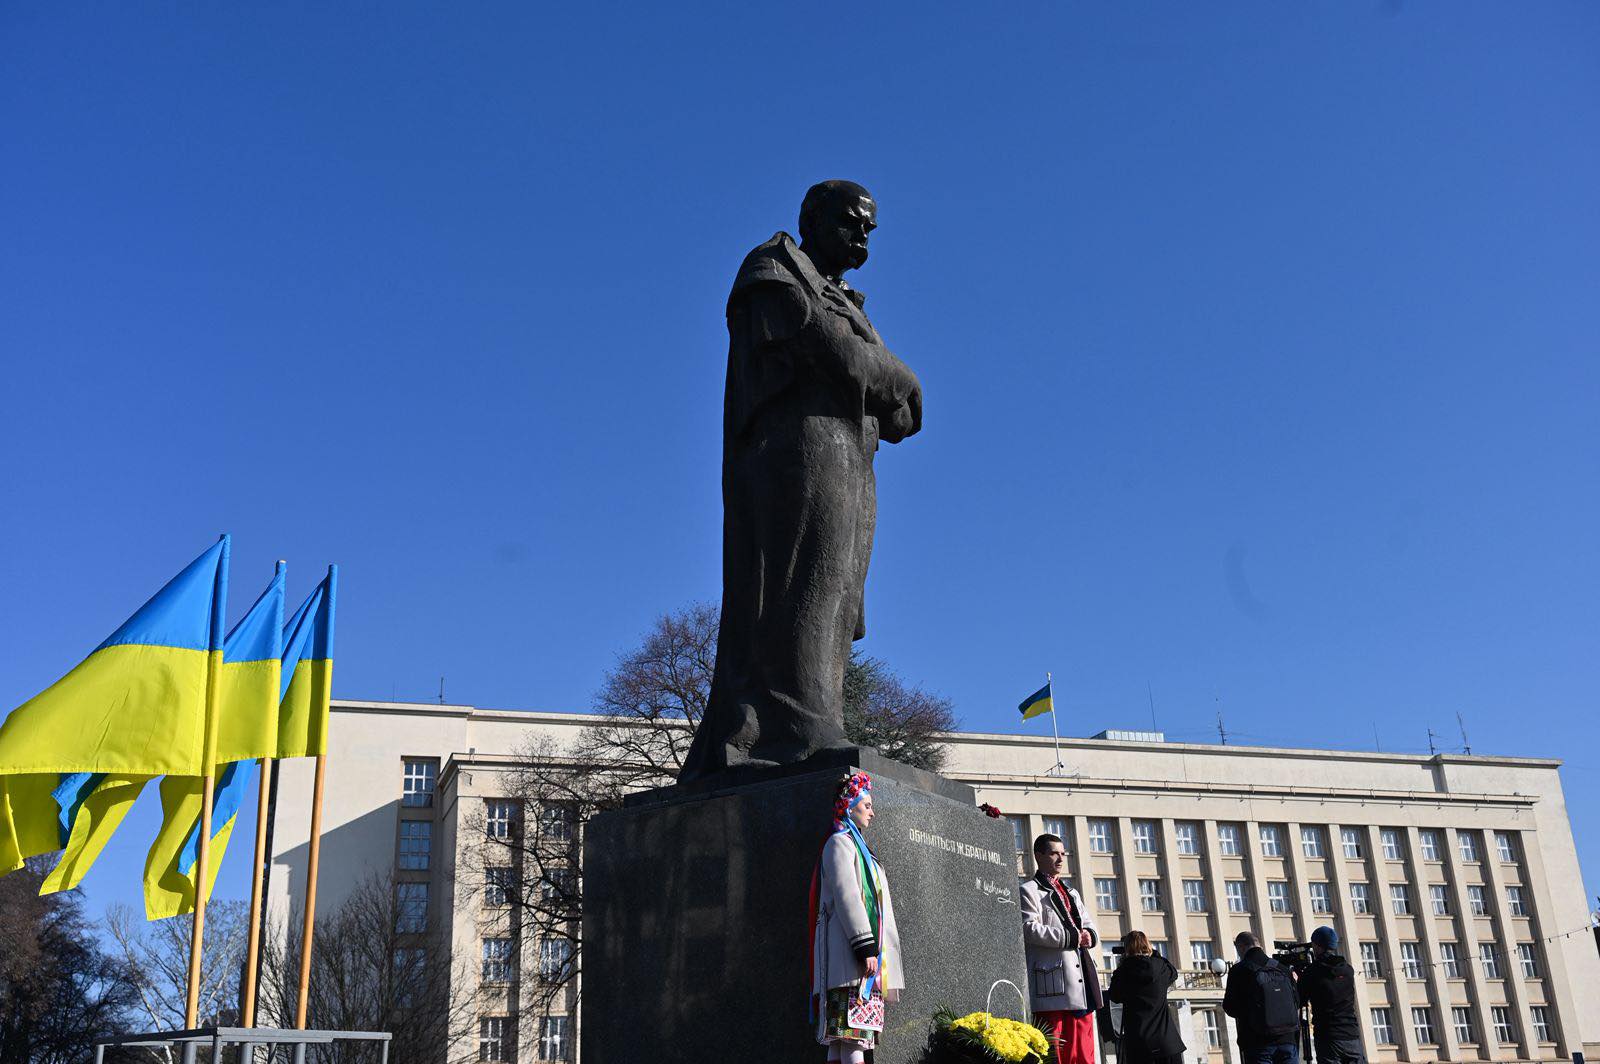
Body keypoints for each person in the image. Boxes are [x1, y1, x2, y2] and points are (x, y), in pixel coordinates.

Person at [681, 180, 923, 781]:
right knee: (802, 584)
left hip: (851, 461)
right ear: (812, 220)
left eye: (870, 227)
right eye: (851, 222)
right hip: (798, 453)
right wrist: (889, 375)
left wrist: (883, 378)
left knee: (840, 594)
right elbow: (842, 359)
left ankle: (816, 715)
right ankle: (795, 725)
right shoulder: (773, 271)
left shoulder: (844, 300)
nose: (862, 235)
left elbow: (905, 415)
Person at [809, 772, 904, 1064]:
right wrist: (865, 947)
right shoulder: (840, 844)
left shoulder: (860, 850)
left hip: (857, 959)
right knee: (852, 1041)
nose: (873, 812)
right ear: (850, 806)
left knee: (843, 1041)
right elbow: (847, 896)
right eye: (868, 805)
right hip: (849, 958)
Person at [1021, 833, 1102, 1064]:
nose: (1060, 859)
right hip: (1052, 983)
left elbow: (1088, 924)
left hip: (1080, 979)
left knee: (1083, 1050)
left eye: (1063, 854)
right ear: (1039, 855)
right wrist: (1071, 937)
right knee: (1055, 1049)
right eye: (1054, 853)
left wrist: (1089, 936)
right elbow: (1029, 928)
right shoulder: (1029, 890)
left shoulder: (1072, 892)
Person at [1107, 931, 1186, 1064]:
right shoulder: (1161, 967)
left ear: (1127, 949)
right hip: (1167, 1043)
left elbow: (1114, 996)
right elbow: (1173, 973)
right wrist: (1154, 953)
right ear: (1147, 946)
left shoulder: (1123, 972)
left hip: (1139, 1046)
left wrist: (1125, 961)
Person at [1223, 931, 1301, 1064]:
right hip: (1288, 1039)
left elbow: (1230, 1007)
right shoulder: (1282, 968)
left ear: (1241, 947)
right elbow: (1297, 1002)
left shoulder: (1238, 970)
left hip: (1257, 1042)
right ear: (1259, 946)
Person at [1297, 927, 1365, 1064]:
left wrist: (1297, 980)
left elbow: (1299, 999)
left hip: (1328, 1036)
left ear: (1317, 945)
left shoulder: (1313, 971)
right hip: (1351, 1035)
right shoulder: (1347, 970)